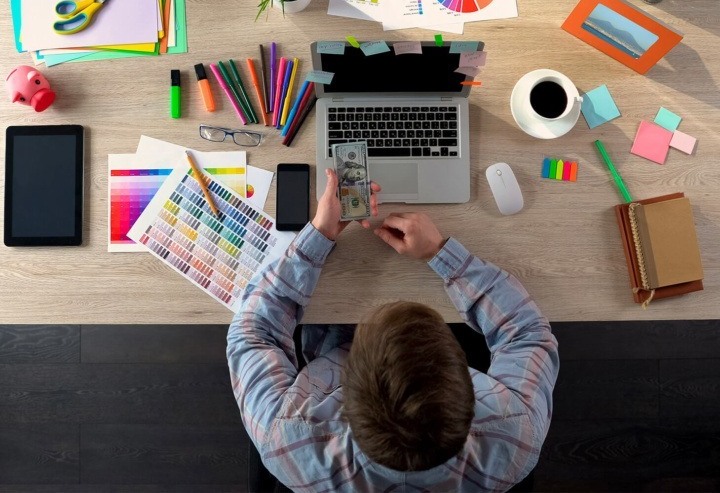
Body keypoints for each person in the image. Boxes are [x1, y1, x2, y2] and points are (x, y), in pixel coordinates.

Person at [227, 168, 560, 492]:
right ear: (464, 382)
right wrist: (442, 253)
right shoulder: (516, 434)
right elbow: (528, 333)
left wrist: (318, 235)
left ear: (343, 397)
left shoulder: (285, 437)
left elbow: (252, 330)